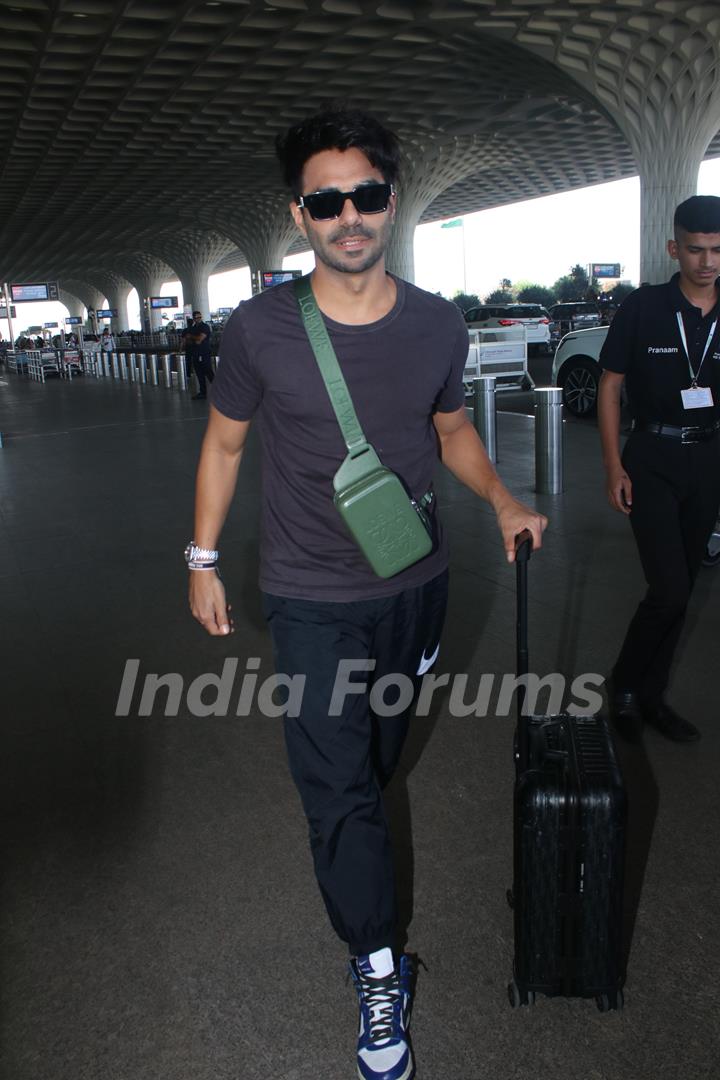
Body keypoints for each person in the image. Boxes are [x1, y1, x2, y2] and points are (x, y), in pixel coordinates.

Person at [187, 106, 546, 1080]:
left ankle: (365, 889)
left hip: (416, 588)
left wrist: (506, 502)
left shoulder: (436, 323)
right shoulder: (258, 331)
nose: (350, 216)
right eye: (326, 199)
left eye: (368, 195)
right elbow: (224, 445)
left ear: (392, 200)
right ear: (297, 214)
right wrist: (202, 559)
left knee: (376, 765)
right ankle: (376, 965)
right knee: (340, 791)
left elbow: (451, 431)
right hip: (308, 599)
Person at [598, 194, 720, 744]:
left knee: (686, 584)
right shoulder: (643, 307)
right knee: (668, 588)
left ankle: (651, 696)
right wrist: (612, 464)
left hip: (709, 458)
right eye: (696, 250)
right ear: (675, 247)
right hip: (651, 457)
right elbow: (610, 385)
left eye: (717, 251)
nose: (708, 262)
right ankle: (623, 686)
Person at [186, 309, 214, 399]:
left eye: (199, 317)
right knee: (199, 373)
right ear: (193, 319)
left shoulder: (205, 326)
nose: (198, 319)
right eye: (196, 317)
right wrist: (192, 338)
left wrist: (191, 337)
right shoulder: (193, 328)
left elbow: (200, 339)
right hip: (195, 353)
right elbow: (190, 341)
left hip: (204, 353)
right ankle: (203, 392)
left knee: (208, 371)